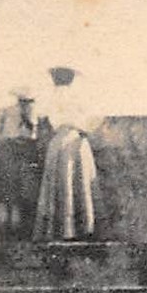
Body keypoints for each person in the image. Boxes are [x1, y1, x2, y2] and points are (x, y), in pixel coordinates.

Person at [33, 67, 100, 241]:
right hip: (75, 140)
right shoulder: (77, 97)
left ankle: (62, 229)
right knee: (76, 182)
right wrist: (82, 129)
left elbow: (44, 118)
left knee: (61, 183)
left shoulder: (51, 97)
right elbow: (93, 119)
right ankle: (80, 227)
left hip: (59, 141)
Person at [0, 87, 44, 238]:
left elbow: (37, 135)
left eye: (30, 101)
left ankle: (22, 228)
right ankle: (5, 228)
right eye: (24, 101)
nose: (27, 105)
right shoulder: (6, 112)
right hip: (9, 151)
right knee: (7, 189)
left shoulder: (37, 115)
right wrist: (1, 143)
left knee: (26, 190)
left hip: (27, 151)